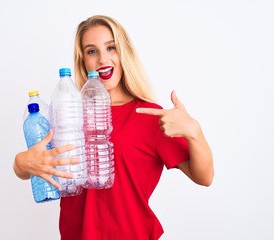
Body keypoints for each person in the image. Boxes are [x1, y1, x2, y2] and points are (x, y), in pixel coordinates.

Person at [13, 15, 214, 240]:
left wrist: (194, 131)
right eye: (91, 51)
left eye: (111, 48)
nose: (102, 59)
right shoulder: (69, 111)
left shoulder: (148, 115)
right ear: (82, 62)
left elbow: (204, 177)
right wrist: (20, 163)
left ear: (124, 53)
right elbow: (36, 163)